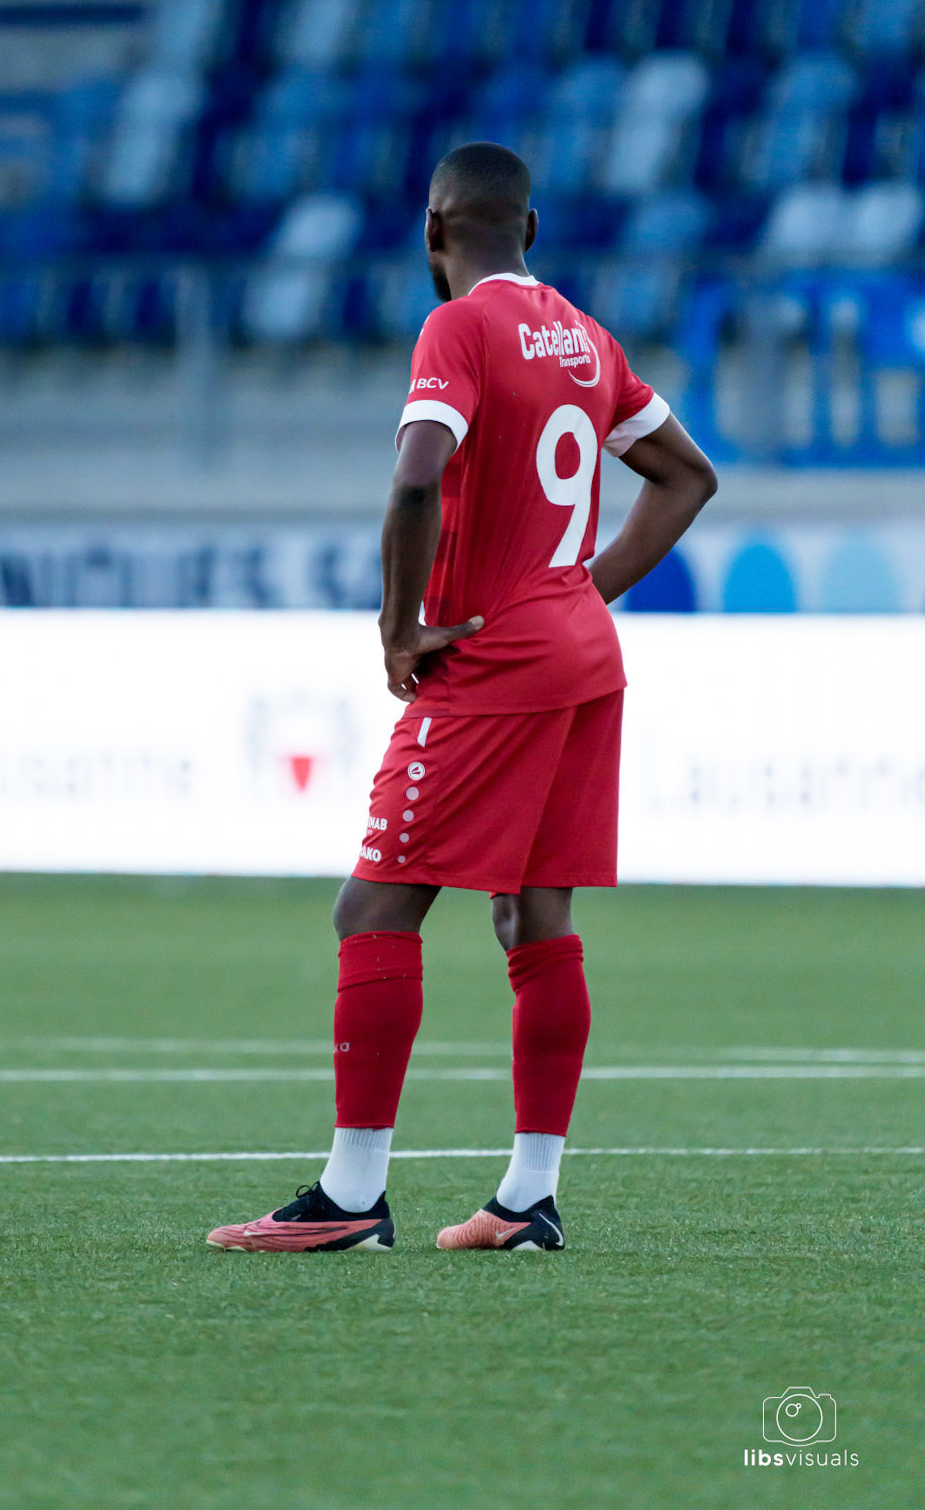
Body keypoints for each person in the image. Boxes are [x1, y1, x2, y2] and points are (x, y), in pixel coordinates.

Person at [207, 142, 717, 1254]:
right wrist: (580, 591)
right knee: (535, 913)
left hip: (491, 659)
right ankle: (528, 1196)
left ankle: (350, 1197)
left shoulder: (460, 327)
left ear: (434, 233)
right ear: (529, 228)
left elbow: (415, 472)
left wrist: (400, 626)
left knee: (375, 903)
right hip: (584, 653)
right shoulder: (585, 336)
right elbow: (688, 476)